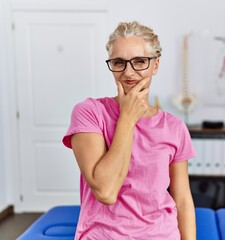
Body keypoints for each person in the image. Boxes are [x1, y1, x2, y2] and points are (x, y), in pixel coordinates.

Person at [62, 21, 196, 240]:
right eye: (119, 62)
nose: (128, 72)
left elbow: (182, 199)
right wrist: (127, 117)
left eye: (140, 61)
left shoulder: (174, 127)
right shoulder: (89, 113)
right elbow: (105, 191)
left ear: (156, 65)